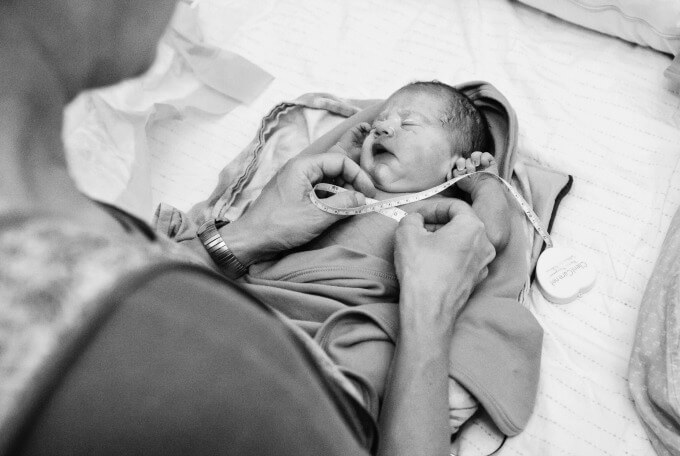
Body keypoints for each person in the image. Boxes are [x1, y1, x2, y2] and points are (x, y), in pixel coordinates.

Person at [0, 1, 495, 456]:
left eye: (410, 125)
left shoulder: (81, 249)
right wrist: (430, 310)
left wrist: (232, 240)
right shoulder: (215, 363)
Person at [230, 82, 541, 437]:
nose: (383, 127)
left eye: (408, 125)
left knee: (374, 362)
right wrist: (339, 154)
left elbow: (490, 237)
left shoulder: (442, 212)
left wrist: (485, 184)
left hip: (357, 315)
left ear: (454, 165)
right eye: (380, 122)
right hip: (277, 295)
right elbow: (285, 211)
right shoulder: (347, 188)